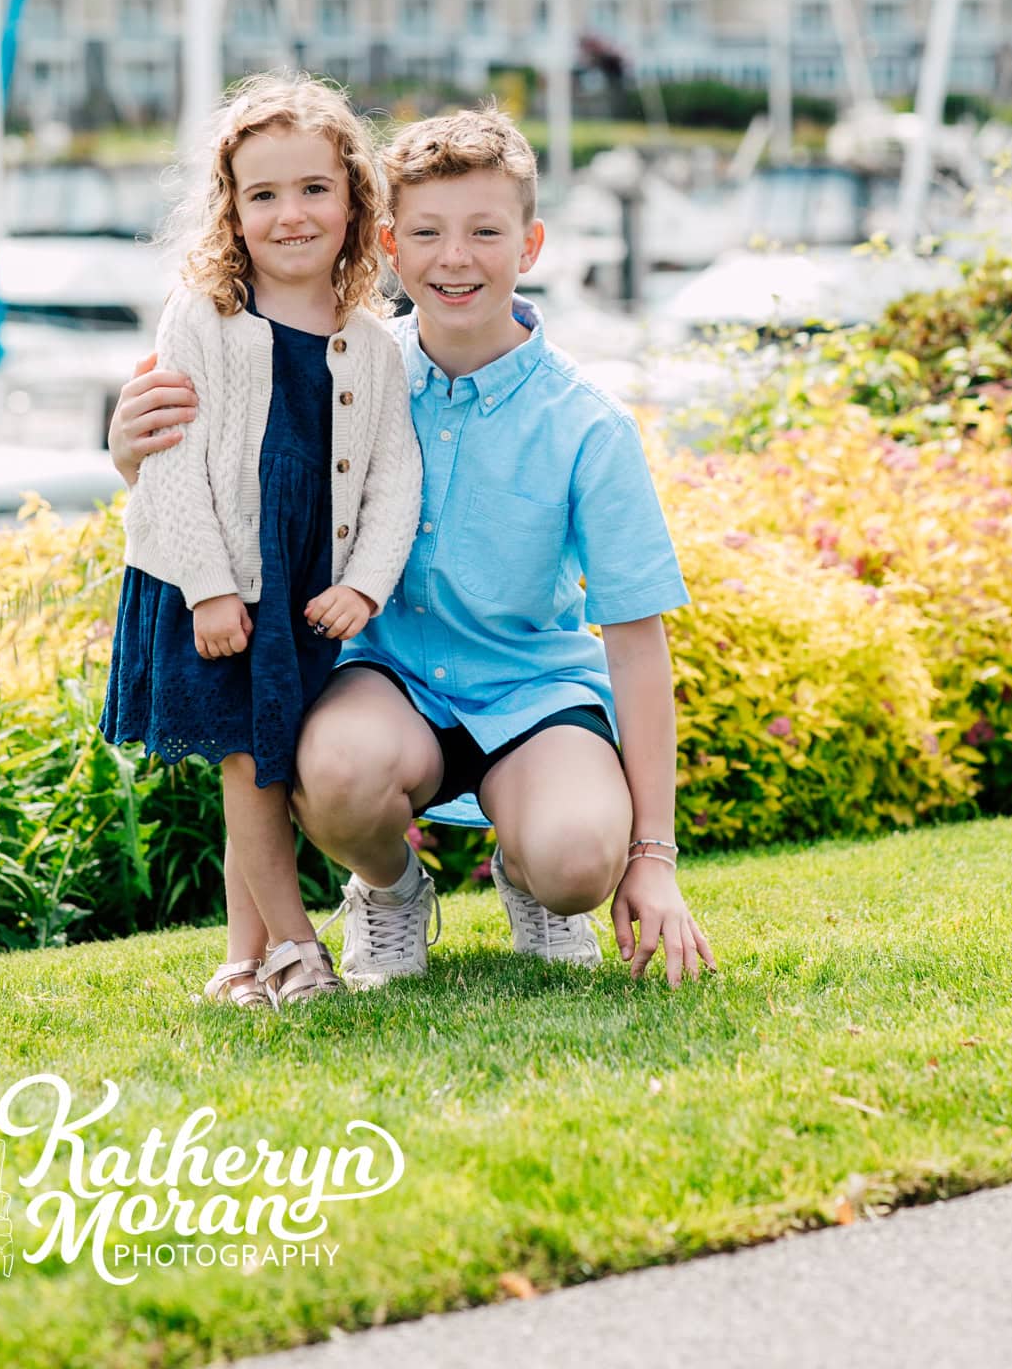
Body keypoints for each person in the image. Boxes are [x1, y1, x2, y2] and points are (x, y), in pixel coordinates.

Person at [111, 106, 715, 991]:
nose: (455, 259)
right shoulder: (349, 365)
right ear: (390, 244)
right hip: (385, 686)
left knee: (579, 858)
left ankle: (533, 878)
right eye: (426, 233)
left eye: (484, 232)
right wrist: (128, 454)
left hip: (532, 693)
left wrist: (653, 855)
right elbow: (239, 476)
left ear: (530, 244)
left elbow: (635, 642)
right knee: (333, 770)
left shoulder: (589, 424)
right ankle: (388, 891)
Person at [101, 74, 420, 1010]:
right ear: (231, 210)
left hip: (301, 589)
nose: (291, 214)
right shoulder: (201, 318)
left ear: (355, 200)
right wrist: (207, 587)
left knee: (268, 767)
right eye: (263, 194)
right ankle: (296, 950)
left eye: (314, 189)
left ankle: (242, 963)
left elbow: (395, 475)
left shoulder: (371, 341)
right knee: (247, 766)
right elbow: (172, 464)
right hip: (217, 583)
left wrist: (363, 585)